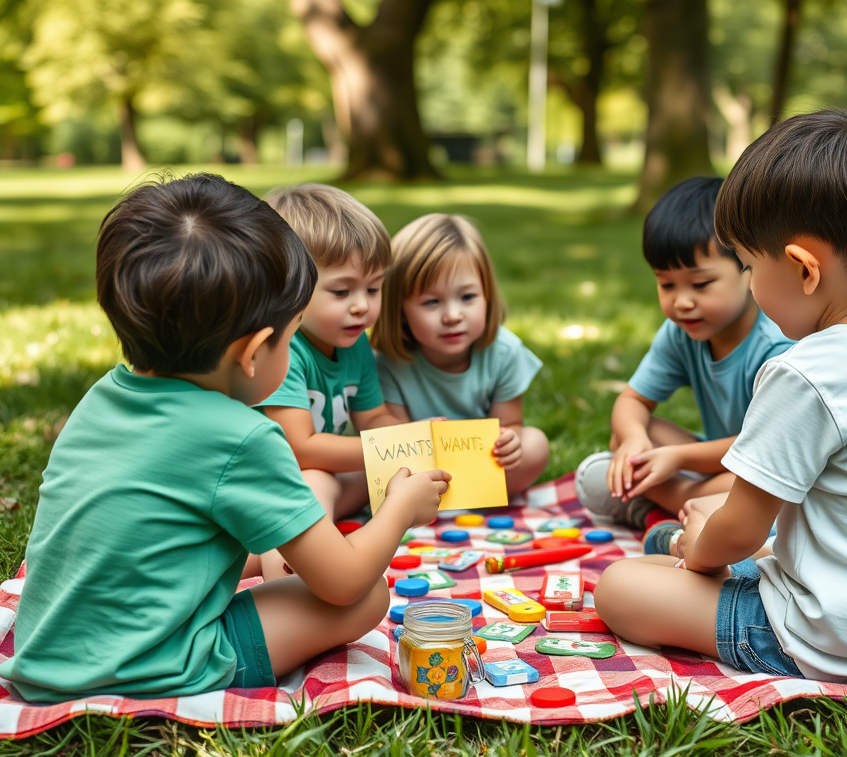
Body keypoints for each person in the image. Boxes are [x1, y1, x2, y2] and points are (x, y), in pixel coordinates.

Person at [0, 174, 449, 702]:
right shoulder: (246, 438)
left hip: (50, 650)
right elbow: (345, 581)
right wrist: (400, 506)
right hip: (156, 664)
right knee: (367, 597)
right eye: (292, 331)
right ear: (256, 349)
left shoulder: (101, 398)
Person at [595, 110, 847, 683]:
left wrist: (697, 546)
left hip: (834, 640)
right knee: (673, 544)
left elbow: (742, 531)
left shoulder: (805, 372)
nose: (749, 282)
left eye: (747, 265)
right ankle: (669, 537)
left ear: (803, 268)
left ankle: (671, 537)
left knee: (620, 586)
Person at [574, 177, 792, 529]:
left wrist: (677, 458)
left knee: (760, 493)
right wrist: (633, 439)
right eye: (666, 284)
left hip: (771, 468)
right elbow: (633, 401)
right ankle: (691, 508)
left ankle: (659, 505)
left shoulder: (778, 345)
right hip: (721, 463)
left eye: (701, 284)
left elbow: (766, 447)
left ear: (749, 270)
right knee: (626, 435)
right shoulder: (681, 333)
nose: (682, 302)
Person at [258, 184, 401, 579]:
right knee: (318, 478)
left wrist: (409, 442)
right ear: (288, 288)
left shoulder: (353, 341)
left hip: (326, 482)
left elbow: (374, 418)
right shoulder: (283, 348)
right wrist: (384, 451)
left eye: (374, 288)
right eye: (342, 291)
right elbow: (300, 450)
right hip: (271, 480)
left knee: (389, 478)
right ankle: (287, 569)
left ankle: (267, 548)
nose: (362, 305)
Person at [372, 214, 549, 499]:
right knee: (362, 469)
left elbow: (511, 424)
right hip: (418, 471)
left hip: (483, 467)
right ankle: (435, 501)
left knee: (535, 444)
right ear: (399, 309)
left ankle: (469, 497)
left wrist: (510, 441)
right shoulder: (387, 363)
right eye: (431, 302)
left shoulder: (504, 352)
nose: (453, 316)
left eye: (467, 298)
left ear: (487, 295)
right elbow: (395, 446)